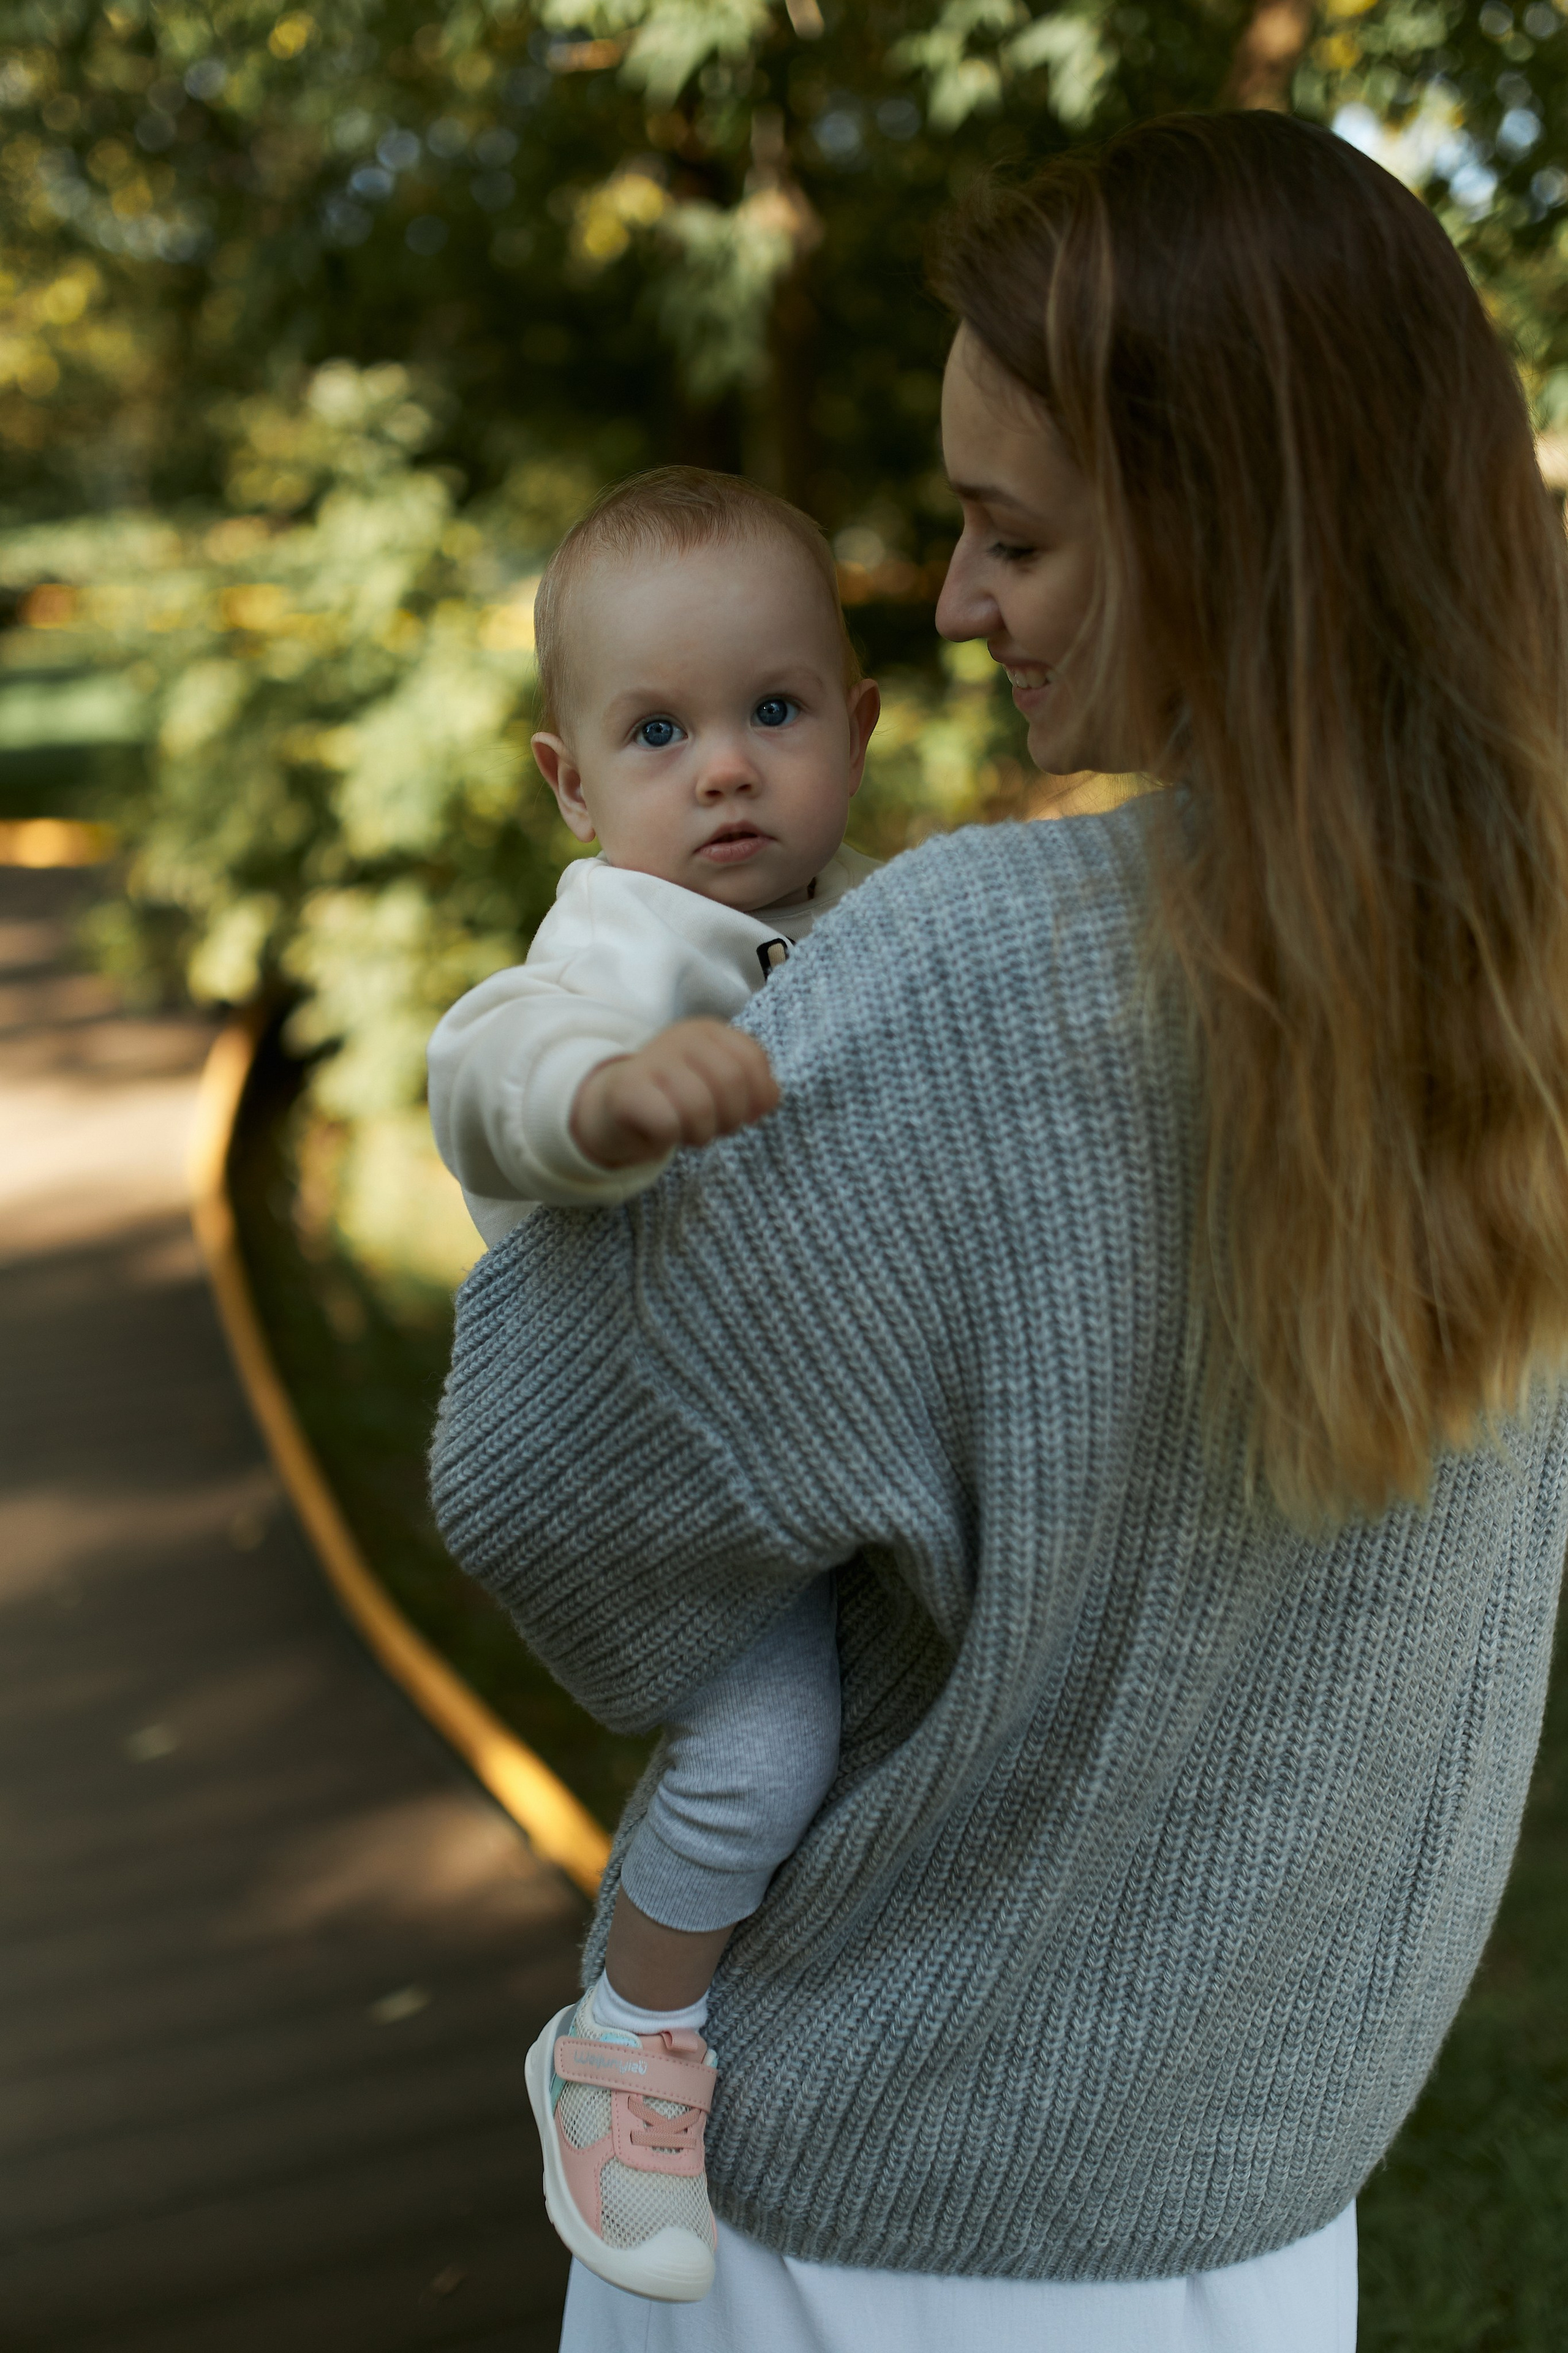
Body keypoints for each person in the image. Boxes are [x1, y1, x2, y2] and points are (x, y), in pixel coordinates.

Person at [431, 109, 1568, 2352]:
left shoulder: (978, 982)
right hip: (1261, 2216)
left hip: (871, 2232)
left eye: (1010, 534)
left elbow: (546, 1494)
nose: (952, 604)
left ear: (1221, 533)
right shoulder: (1527, 975)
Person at [428, 466, 881, 2298]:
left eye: (775, 713)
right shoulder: (621, 945)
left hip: (805, 1443)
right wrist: (601, 1103)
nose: (724, 770)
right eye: (660, 730)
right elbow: (483, 1059)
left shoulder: (872, 919)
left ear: (856, 726)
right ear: (571, 784)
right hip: (651, 1468)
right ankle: (625, 2040)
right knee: (763, 1743)